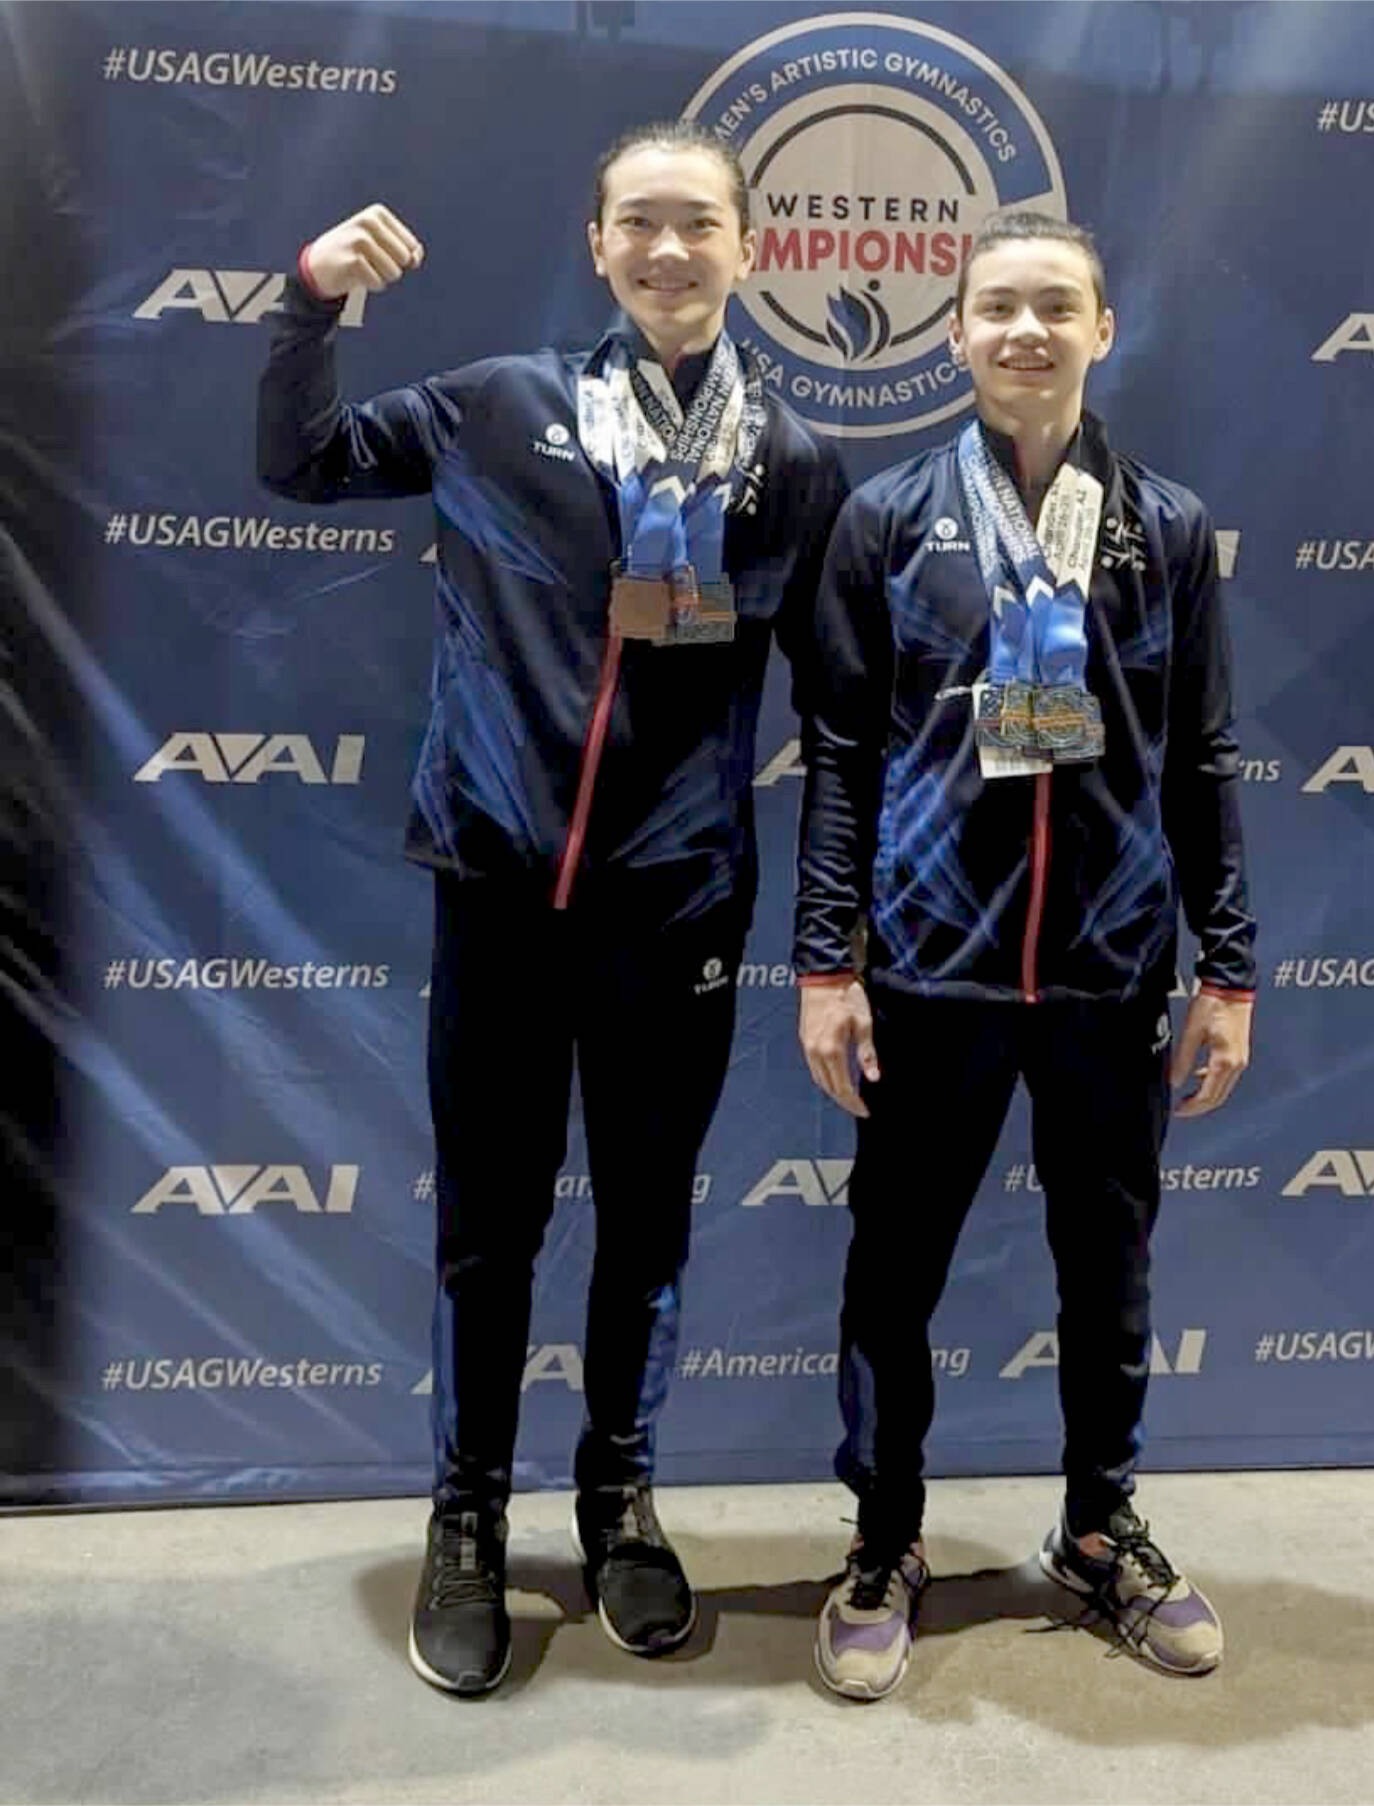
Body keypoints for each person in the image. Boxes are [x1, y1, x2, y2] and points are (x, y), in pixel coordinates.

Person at [257, 121, 846, 1696]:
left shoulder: (789, 462)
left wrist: (842, 934)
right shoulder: (494, 406)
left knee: (649, 1221)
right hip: (504, 897)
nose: (669, 250)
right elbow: (299, 464)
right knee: (487, 1227)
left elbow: (844, 713)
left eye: (699, 224)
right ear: (597, 244)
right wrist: (306, 304)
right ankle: (464, 1517)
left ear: (749, 248)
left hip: (680, 909)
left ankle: (620, 1503)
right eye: (639, 223)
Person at [793, 209, 1256, 1701]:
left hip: (1114, 972)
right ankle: (884, 1537)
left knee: (1108, 1273)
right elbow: (843, 758)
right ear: (957, 333)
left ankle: (1100, 1524)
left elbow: (1204, 759)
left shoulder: (1167, 528)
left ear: (1102, 330)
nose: (1025, 332)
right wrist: (825, 961)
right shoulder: (888, 520)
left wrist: (1228, 970)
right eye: (997, 306)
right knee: (893, 1273)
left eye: (1056, 306)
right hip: (930, 971)